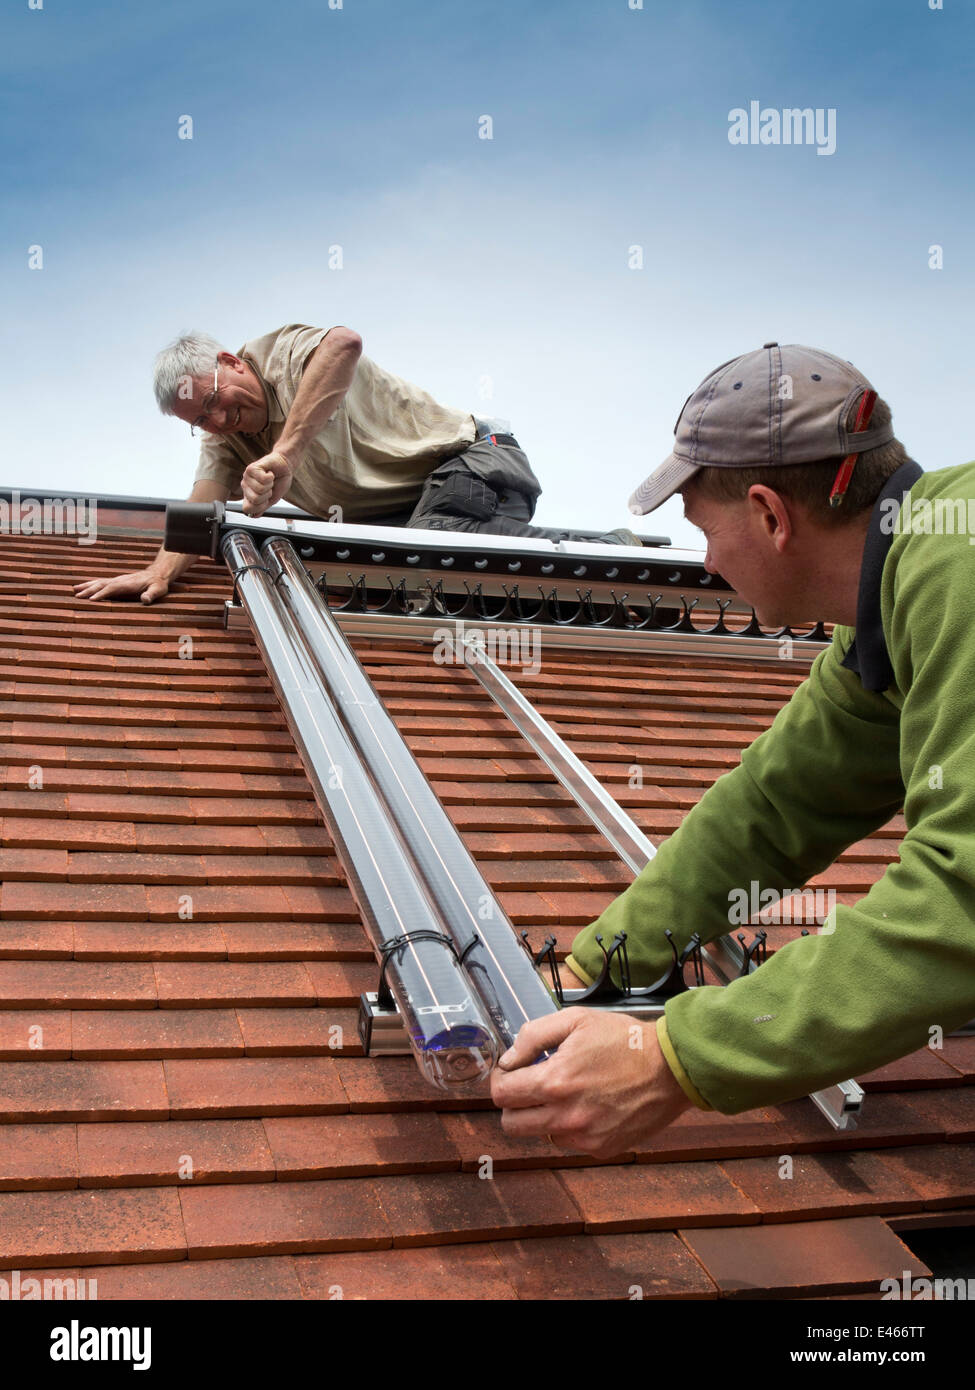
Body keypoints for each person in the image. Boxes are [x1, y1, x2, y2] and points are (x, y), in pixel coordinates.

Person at [491, 341, 975, 1157]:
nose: (707, 562)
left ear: (769, 514)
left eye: (701, 529)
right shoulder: (892, 612)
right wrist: (591, 969)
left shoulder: (956, 563)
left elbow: (962, 895)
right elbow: (772, 806)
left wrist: (673, 1059)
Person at [74, 324, 638, 605]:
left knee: (432, 558)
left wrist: (286, 453)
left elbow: (343, 342)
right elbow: (201, 509)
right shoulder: (226, 441)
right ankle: (606, 571)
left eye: (216, 401)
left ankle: (618, 559)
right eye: (202, 420)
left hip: (475, 461)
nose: (219, 421)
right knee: (415, 579)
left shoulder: (282, 355)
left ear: (230, 363)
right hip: (412, 517)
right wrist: (158, 573)